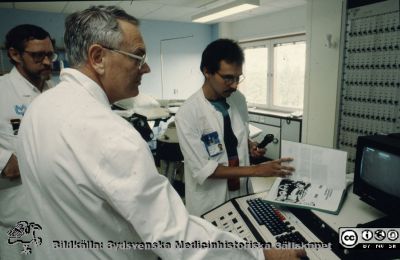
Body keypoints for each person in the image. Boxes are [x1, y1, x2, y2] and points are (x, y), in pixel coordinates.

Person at [15, 6, 305, 260]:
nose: (147, 68)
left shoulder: (39, 109)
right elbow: (173, 235)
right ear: (98, 57)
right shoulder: (108, 132)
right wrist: (259, 255)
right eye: (138, 57)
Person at [175, 39, 295, 217]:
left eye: (238, 77)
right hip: (210, 202)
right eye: (228, 78)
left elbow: (239, 135)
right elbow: (205, 170)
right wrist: (258, 170)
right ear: (207, 71)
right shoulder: (188, 114)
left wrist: (250, 145)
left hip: (241, 192)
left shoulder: (238, 99)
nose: (234, 85)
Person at [0, 24, 56, 260]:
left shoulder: (56, 94)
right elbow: (11, 166)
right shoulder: (2, 92)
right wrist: (5, 161)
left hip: (56, 213)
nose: (46, 62)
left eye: (50, 54)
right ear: (14, 55)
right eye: (37, 55)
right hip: (17, 212)